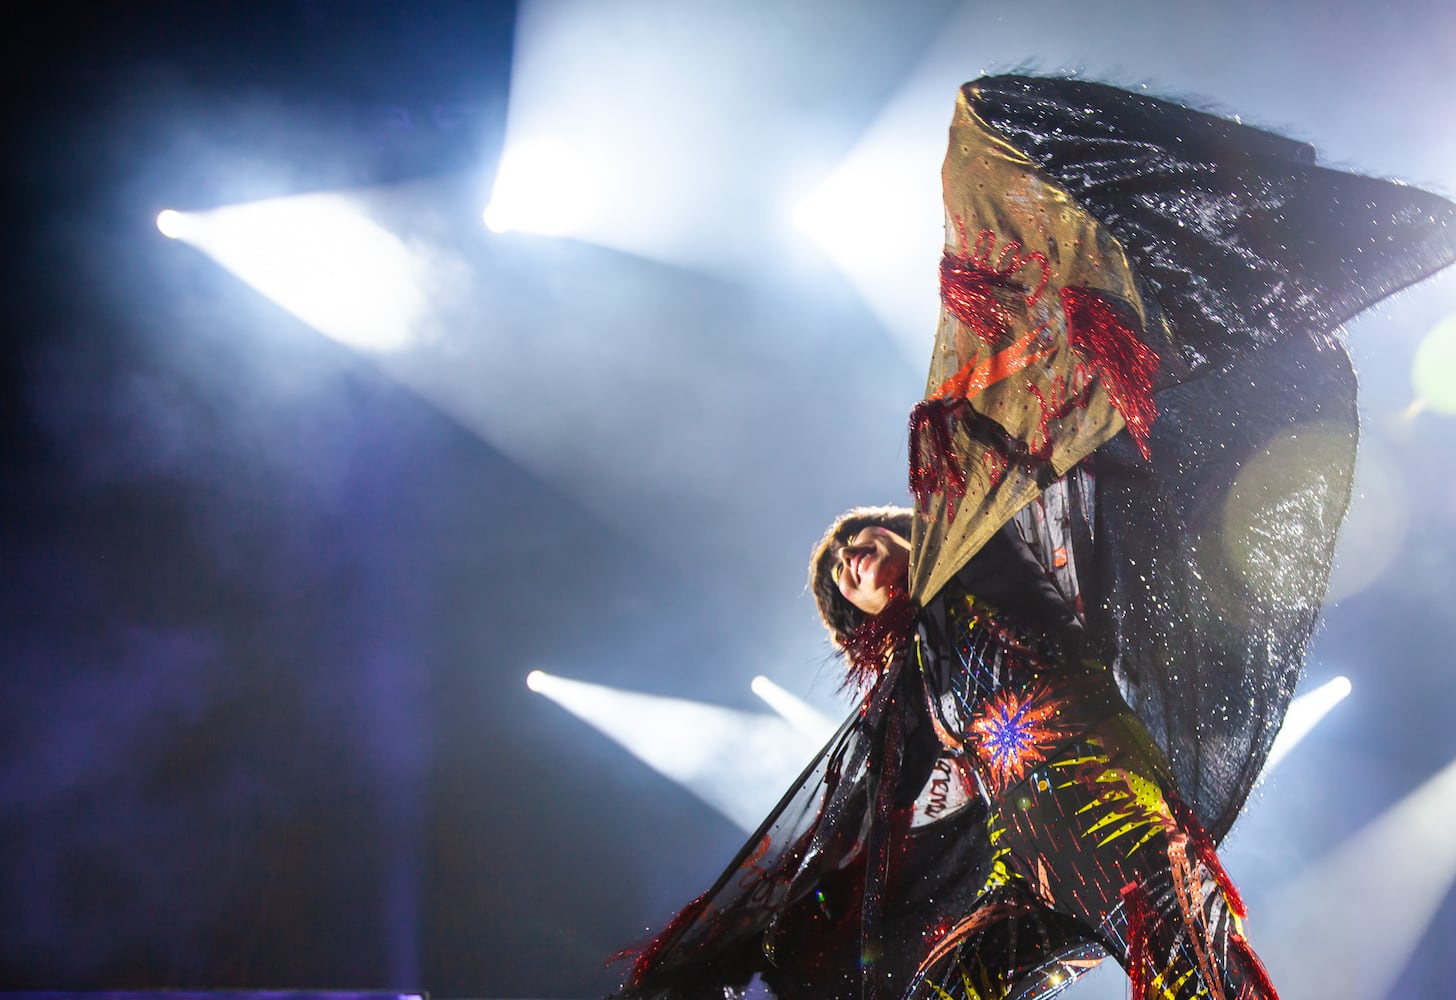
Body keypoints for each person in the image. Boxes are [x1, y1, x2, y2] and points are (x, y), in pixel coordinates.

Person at [611, 75, 1456, 1000]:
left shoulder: (976, 529)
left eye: (856, 540)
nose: (851, 558)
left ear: (904, 532)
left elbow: (1031, 418)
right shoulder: (898, 699)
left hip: (1074, 754)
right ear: (851, 613)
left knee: (1170, 926)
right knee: (950, 984)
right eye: (839, 573)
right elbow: (856, 829)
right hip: (1006, 837)